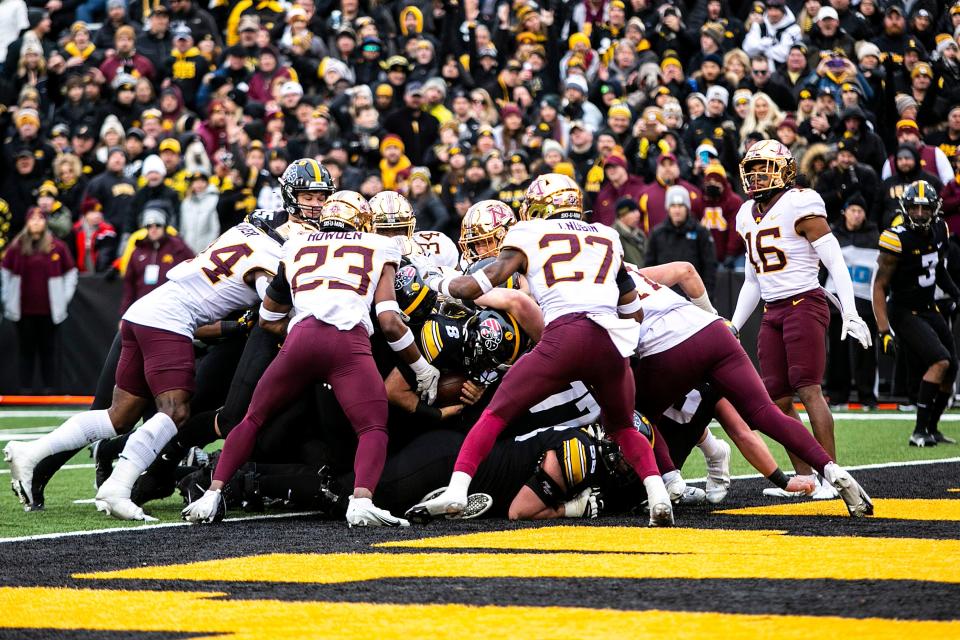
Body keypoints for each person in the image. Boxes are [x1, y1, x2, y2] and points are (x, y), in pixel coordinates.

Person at [2, 161, 332, 517]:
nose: (315, 202)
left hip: (149, 308)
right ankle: (118, 487)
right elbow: (274, 310)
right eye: (307, 195)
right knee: (176, 411)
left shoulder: (254, 224)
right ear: (289, 195)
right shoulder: (281, 253)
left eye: (320, 196)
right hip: (173, 318)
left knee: (118, 417)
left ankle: (32, 453)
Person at [406, 173, 674, 527]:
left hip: (563, 336)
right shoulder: (608, 236)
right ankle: (659, 495)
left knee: (494, 416)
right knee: (624, 426)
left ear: (540, 208)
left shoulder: (528, 233)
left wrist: (437, 281)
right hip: (610, 340)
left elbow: (475, 285)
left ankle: (457, 490)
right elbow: (632, 310)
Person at [181, 190, 440, 527]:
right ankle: (361, 500)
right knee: (373, 427)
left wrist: (302, 333)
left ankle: (212, 493)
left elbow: (268, 318)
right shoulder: (380, 247)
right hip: (348, 344)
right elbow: (390, 322)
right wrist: (421, 366)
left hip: (301, 338)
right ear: (364, 223)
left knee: (253, 418)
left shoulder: (297, 245)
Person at [730, 140, 872, 497]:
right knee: (776, 399)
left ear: (785, 170)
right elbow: (752, 280)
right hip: (772, 309)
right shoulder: (746, 213)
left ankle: (831, 477)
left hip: (805, 303)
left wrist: (850, 311)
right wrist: (733, 325)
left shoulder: (800, 202)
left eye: (765, 168)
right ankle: (806, 479)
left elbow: (835, 260)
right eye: (753, 169)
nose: (757, 176)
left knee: (809, 390)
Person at [873, 181, 959, 447]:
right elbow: (879, 285)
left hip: (928, 307)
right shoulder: (895, 237)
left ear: (935, 209)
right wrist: (884, 330)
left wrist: (956, 293)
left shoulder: (940, 229)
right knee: (940, 361)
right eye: (914, 208)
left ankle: (931, 429)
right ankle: (919, 430)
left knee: (952, 368)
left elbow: (938, 269)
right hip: (903, 310)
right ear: (905, 208)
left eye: (925, 208)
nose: (920, 213)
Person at [0, 207, 77, 394]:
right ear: (27, 222)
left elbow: (71, 272)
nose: (36, 222)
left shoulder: (57, 246)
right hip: (23, 311)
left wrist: (63, 298)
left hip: (50, 311)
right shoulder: (17, 246)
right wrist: (7, 297)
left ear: (45, 222)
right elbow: (5, 273)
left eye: (40, 218)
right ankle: (25, 390)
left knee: (48, 351)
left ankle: (49, 391)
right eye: (32, 219)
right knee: (26, 351)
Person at [825, 195, 880, 407]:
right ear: (845, 212)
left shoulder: (875, 235)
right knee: (837, 352)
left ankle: (867, 396)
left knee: (865, 350)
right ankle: (837, 395)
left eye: (860, 210)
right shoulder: (832, 235)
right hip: (837, 304)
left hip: (865, 302)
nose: (856, 214)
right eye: (852, 210)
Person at [119, 206, 195, 314]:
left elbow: (192, 272)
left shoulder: (178, 247)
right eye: (149, 226)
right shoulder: (138, 251)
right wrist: (125, 313)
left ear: (164, 226)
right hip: (143, 308)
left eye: (158, 225)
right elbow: (129, 286)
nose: (153, 229)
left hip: (172, 308)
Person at [644, 186, 717, 297]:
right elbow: (649, 266)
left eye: (681, 206)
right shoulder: (657, 233)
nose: (677, 210)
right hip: (664, 297)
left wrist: (707, 295)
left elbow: (709, 266)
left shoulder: (701, 233)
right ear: (668, 208)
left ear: (687, 208)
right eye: (673, 206)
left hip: (694, 296)